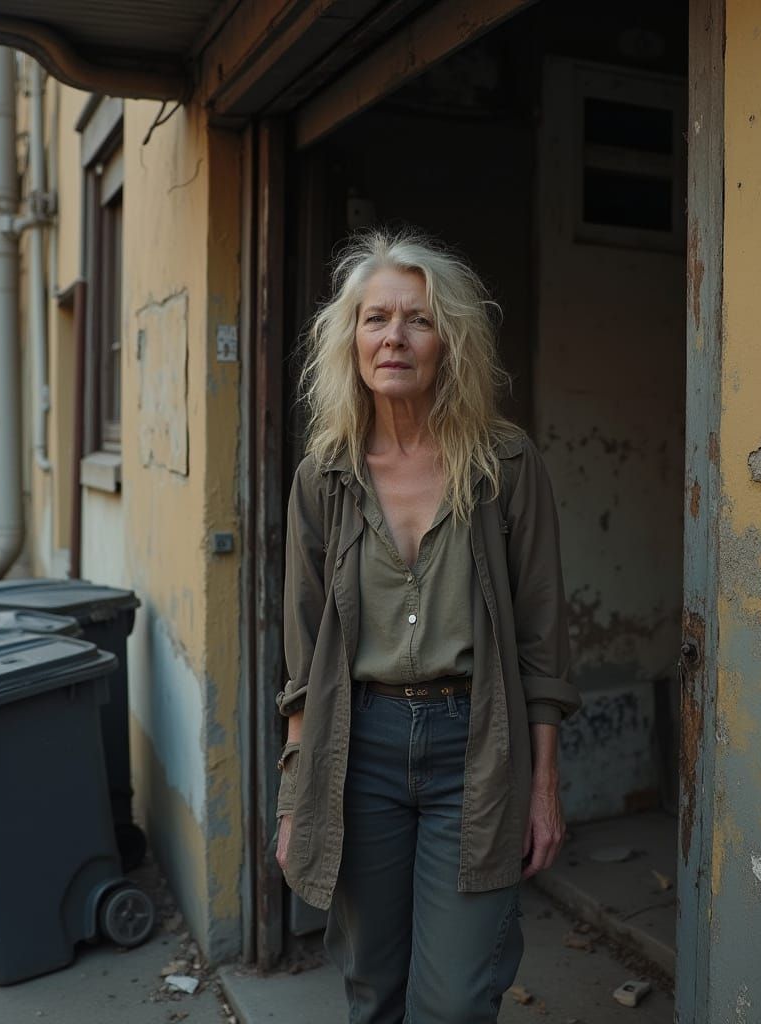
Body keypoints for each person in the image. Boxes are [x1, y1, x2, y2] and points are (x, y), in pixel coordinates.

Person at [276, 230, 581, 1024]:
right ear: (352, 339)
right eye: (376, 319)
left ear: (450, 341)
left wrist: (543, 787)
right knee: (374, 988)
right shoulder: (324, 478)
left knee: (455, 1001)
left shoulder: (505, 465)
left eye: (417, 320)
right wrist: (292, 801)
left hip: (474, 748)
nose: (394, 338)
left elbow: (543, 642)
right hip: (358, 750)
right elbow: (304, 664)